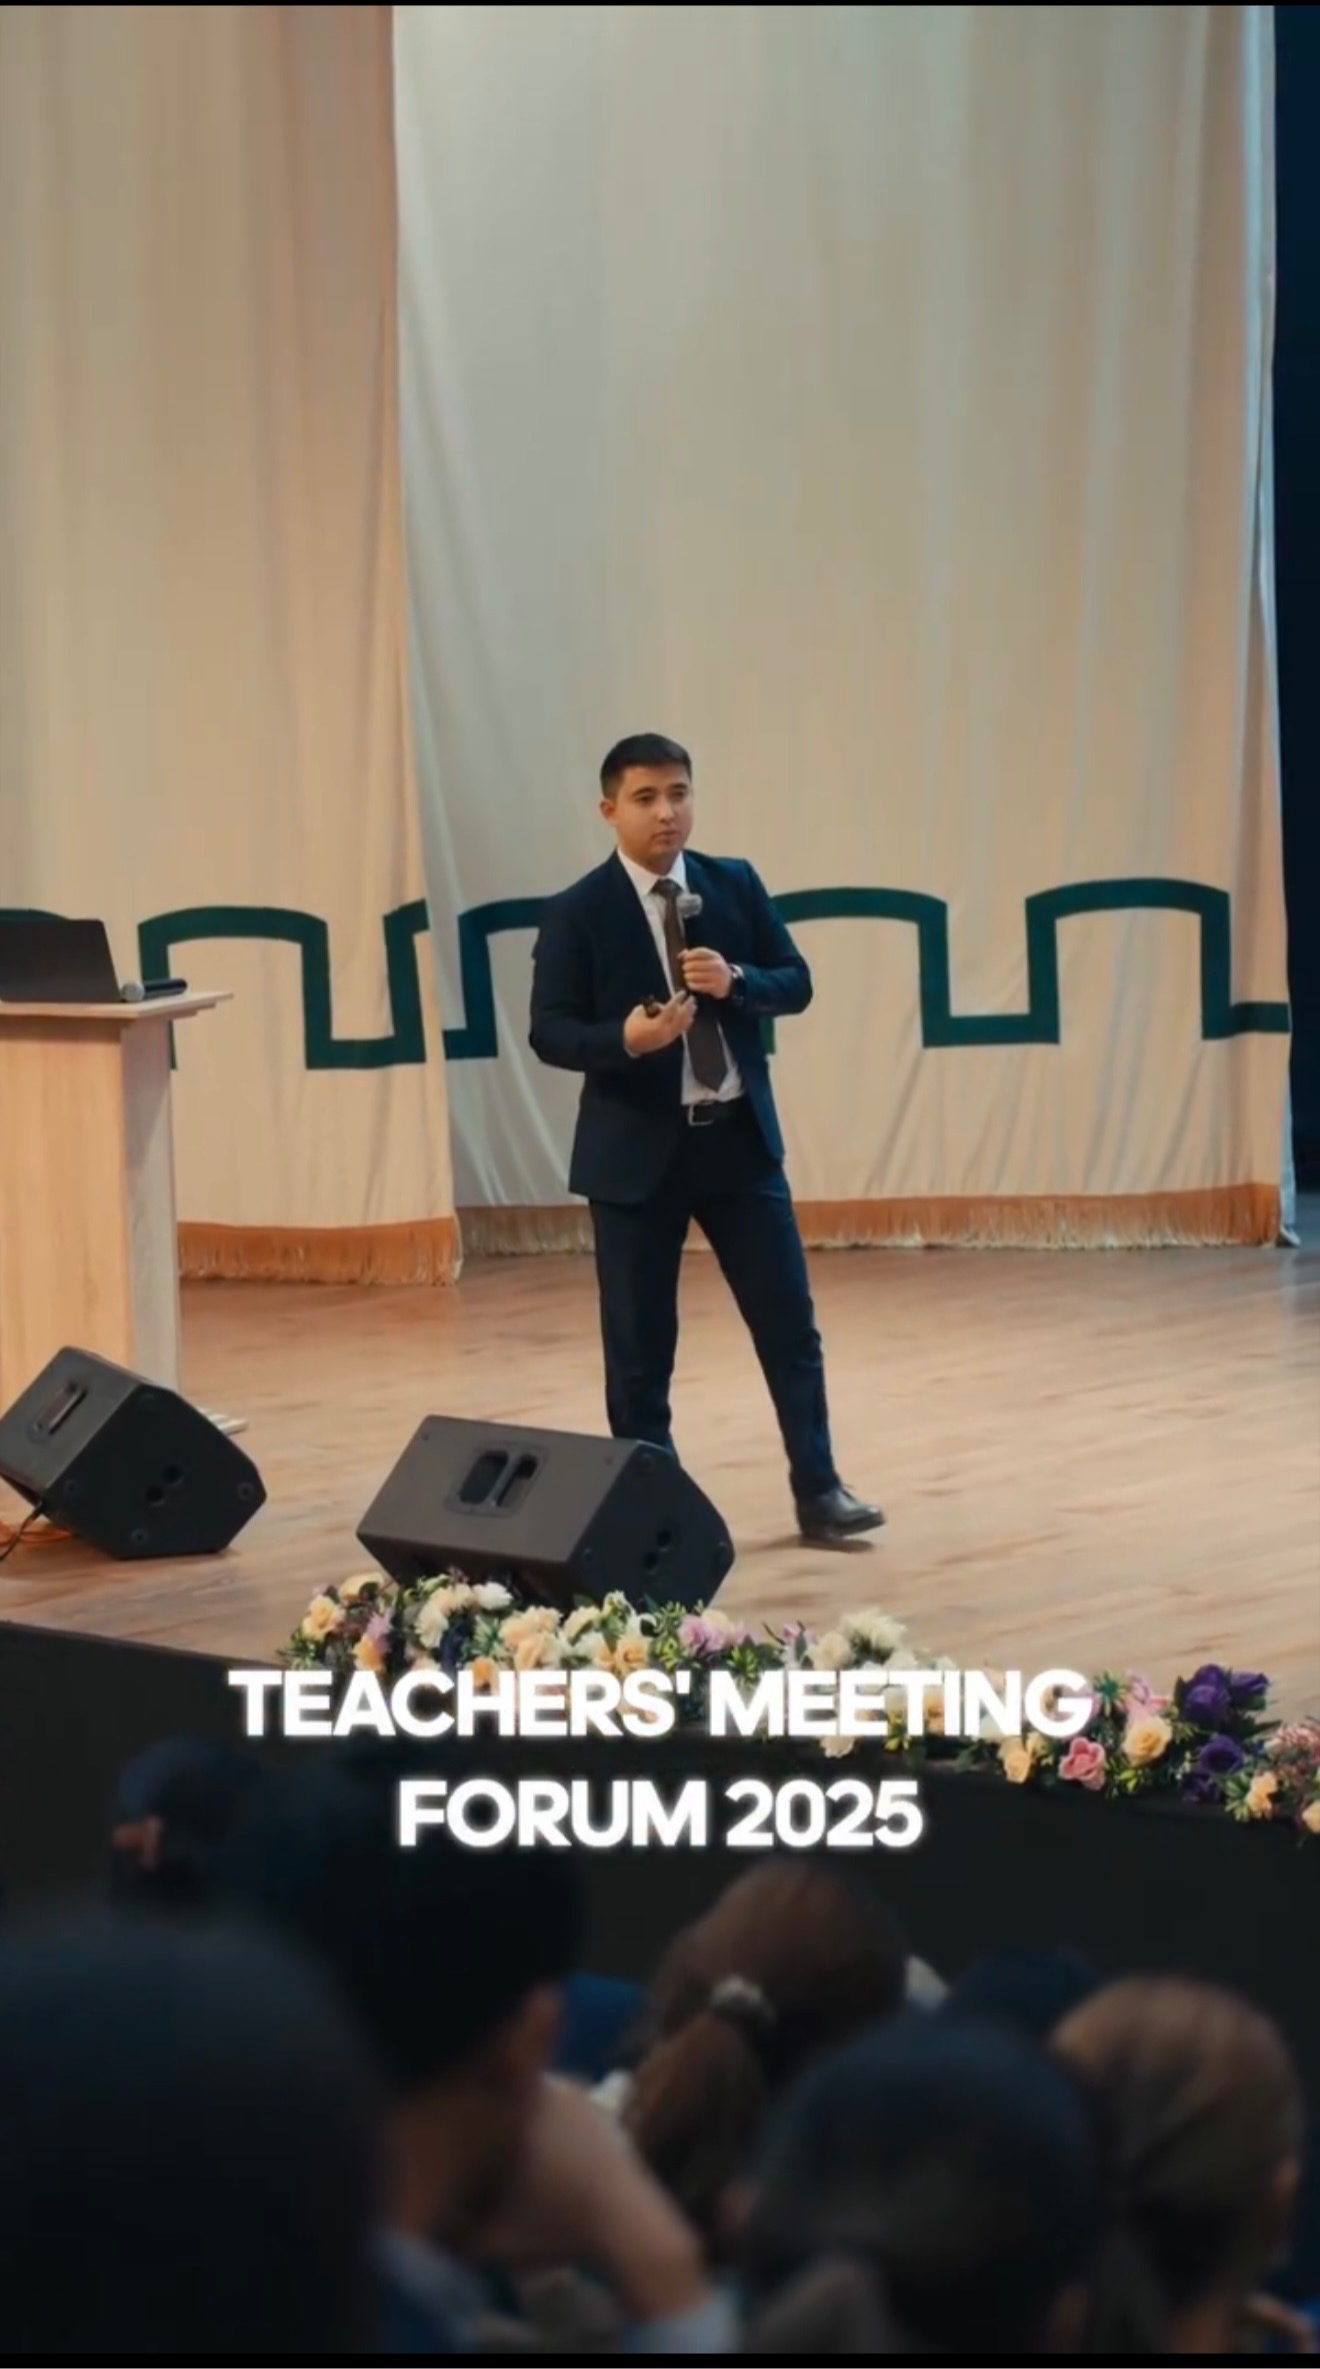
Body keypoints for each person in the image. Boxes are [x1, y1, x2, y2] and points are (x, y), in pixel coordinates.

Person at [529, 731, 882, 1542]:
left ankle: (820, 1490)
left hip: (737, 1145)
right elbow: (550, 1030)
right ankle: (655, 1520)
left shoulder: (733, 883)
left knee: (789, 1326)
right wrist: (626, 1039)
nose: (667, 812)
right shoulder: (578, 910)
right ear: (609, 809)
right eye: (647, 797)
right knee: (640, 1349)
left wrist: (739, 980)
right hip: (635, 1157)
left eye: (680, 793)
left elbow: (796, 980)